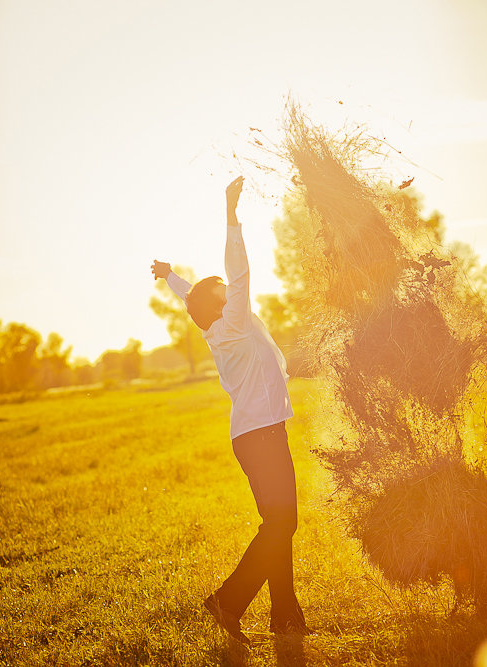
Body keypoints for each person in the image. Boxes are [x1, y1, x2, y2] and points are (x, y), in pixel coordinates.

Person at [150, 176, 309, 644]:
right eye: (221, 289)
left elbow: (190, 297)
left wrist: (170, 275)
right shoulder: (233, 323)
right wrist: (230, 213)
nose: (227, 288)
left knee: (277, 525)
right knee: (283, 524)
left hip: (255, 436)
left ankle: (285, 615)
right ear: (220, 302)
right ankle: (228, 601)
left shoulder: (215, 326)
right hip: (261, 436)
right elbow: (238, 273)